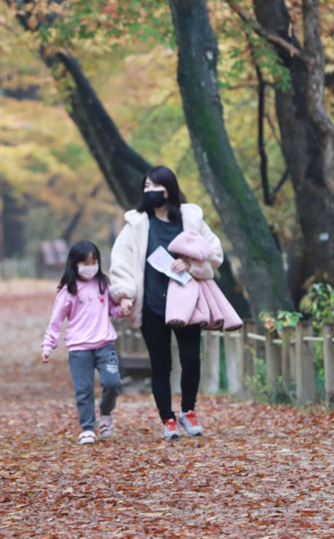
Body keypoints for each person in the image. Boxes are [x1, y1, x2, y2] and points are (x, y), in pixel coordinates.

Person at [109, 166, 223, 440]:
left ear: (169, 188)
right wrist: (125, 293)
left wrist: (192, 263)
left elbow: (214, 251)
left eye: (155, 186)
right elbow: (121, 260)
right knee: (160, 365)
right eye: (146, 186)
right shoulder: (136, 224)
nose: (150, 191)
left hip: (187, 301)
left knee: (191, 360)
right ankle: (167, 419)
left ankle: (188, 411)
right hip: (152, 304)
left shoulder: (190, 218)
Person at [41, 241, 125, 445]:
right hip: (79, 348)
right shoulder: (68, 291)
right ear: (75, 263)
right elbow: (56, 321)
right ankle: (87, 427)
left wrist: (123, 309)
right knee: (84, 389)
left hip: (105, 344)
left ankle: (106, 411)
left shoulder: (103, 283)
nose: (91, 266)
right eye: (86, 262)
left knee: (113, 383)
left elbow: (112, 310)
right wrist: (48, 345)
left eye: (94, 261)